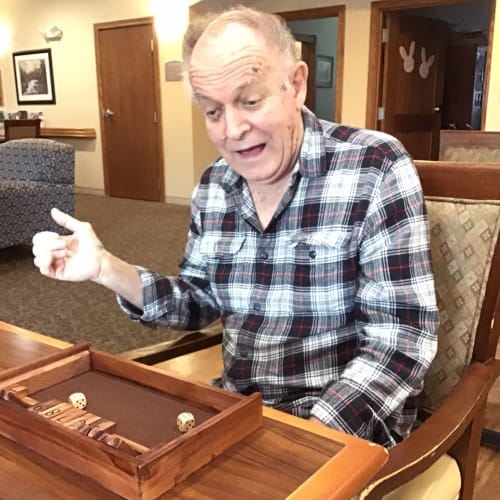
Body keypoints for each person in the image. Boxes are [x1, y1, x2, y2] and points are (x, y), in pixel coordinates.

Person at [32, 6, 439, 448]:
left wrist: (302, 439)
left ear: (296, 84)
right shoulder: (214, 186)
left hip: (342, 428)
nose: (233, 130)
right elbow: (197, 301)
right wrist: (104, 268)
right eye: (212, 112)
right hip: (238, 413)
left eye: (250, 101)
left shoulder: (374, 166)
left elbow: (402, 338)